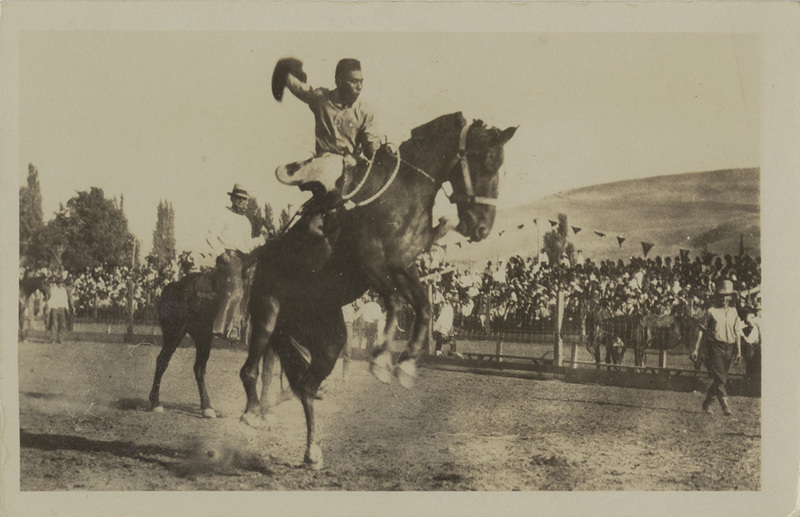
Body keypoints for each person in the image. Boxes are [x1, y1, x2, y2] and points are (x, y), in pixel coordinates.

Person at [272, 57, 382, 236]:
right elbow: (300, 89)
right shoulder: (322, 99)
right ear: (339, 81)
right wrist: (284, 73)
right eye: (353, 81)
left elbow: (371, 145)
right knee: (330, 168)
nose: (359, 86)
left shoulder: (366, 111)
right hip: (325, 165)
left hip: (352, 164)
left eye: (361, 81)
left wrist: (379, 149)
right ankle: (320, 220)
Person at [205, 184, 263, 340]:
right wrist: (220, 252)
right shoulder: (223, 215)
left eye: (245, 201)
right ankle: (228, 328)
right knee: (236, 285)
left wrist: (261, 240)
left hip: (242, 258)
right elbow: (210, 235)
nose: (243, 203)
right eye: (239, 200)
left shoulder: (245, 221)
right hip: (228, 257)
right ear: (232, 199)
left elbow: (246, 246)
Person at [690, 279, 743, 416]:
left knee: (721, 377)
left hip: (729, 349)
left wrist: (739, 351)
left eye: (727, 295)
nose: (724, 298)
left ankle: (707, 403)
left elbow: (737, 332)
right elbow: (701, 330)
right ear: (717, 296)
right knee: (721, 378)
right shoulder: (711, 311)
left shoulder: (734, 312)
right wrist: (695, 348)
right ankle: (725, 405)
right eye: (721, 295)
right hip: (715, 348)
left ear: (730, 297)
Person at [46, 273, 73, 344]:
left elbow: (65, 300)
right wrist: (49, 308)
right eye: (60, 283)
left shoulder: (63, 290)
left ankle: (60, 339)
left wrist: (67, 308)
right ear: (57, 283)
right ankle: (53, 339)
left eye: (62, 283)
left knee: (62, 324)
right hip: (54, 308)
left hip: (62, 308)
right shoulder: (53, 290)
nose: (61, 284)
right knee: (54, 324)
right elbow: (50, 299)